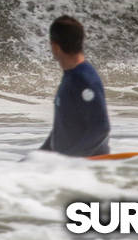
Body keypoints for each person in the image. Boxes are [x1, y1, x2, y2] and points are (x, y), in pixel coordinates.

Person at [40, 15, 111, 157]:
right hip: (69, 168)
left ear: (55, 47)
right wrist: (36, 158)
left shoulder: (84, 79)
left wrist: (70, 159)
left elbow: (100, 128)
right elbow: (62, 128)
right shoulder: (71, 76)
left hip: (85, 169)